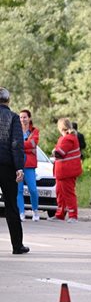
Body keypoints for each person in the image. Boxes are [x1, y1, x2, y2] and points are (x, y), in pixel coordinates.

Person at [0, 88, 29, 254]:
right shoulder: (12, 118)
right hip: (7, 167)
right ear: (8, 101)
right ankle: (17, 246)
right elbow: (17, 144)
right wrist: (19, 168)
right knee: (11, 206)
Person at [50, 117, 82, 223]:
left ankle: (73, 215)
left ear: (61, 128)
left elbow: (60, 153)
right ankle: (60, 214)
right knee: (60, 193)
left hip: (67, 171)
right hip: (62, 172)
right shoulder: (65, 138)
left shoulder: (68, 138)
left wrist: (54, 151)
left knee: (68, 193)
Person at [17, 109, 40, 222]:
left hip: (30, 164)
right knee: (19, 190)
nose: (22, 119)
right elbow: (14, 144)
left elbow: (33, 143)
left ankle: (35, 211)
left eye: (24, 117)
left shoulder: (34, 131)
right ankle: (21, 212)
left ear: (29, 118)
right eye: (21, 117)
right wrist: (28, 147)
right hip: (18, 163)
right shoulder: (16, 129)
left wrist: (19, 145)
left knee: (33, 189)